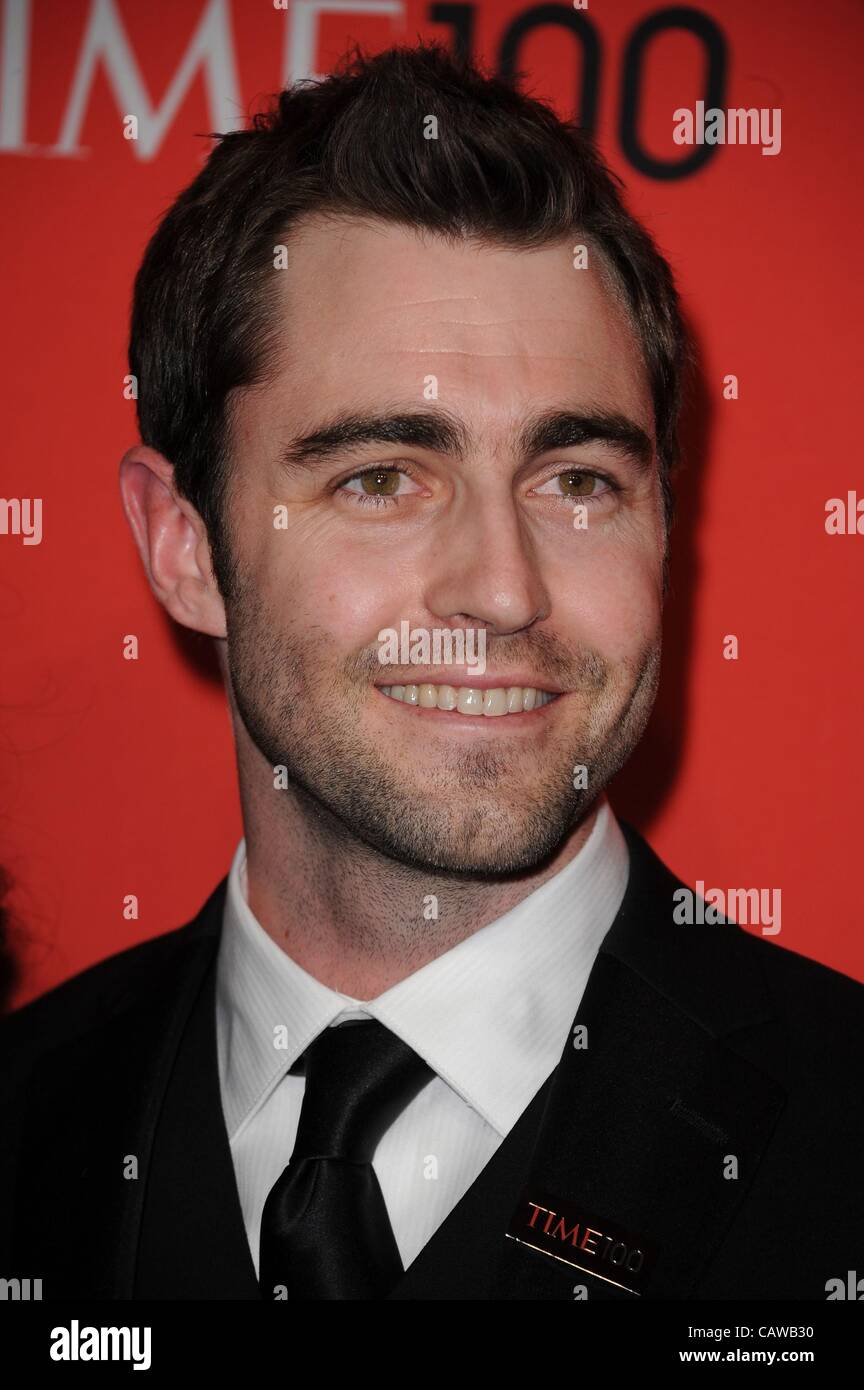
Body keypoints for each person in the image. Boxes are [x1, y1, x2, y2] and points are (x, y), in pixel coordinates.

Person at [1, 41, 861, 1303]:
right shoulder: (28, 1111)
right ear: (185, 547)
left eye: (578, 482)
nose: (503, 589)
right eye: (382, 479)